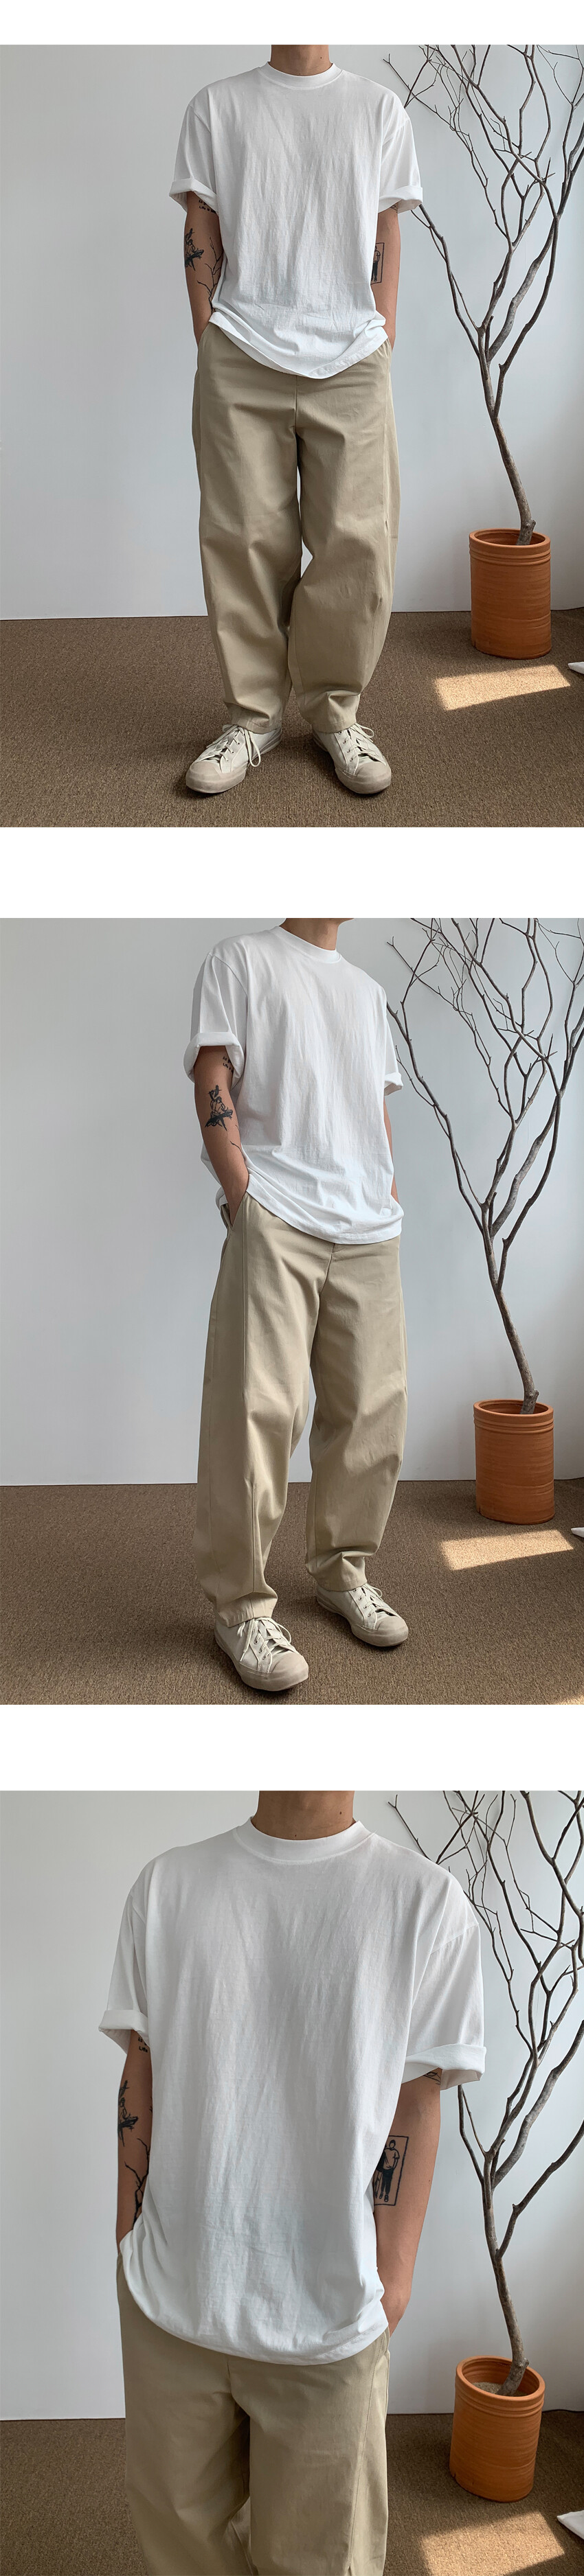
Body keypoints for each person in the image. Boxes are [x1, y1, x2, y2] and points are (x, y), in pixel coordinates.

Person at [100, 1791, 485, 2576]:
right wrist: (128, 2234)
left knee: (320, 2559)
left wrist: (391, 2282)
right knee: (180, 2550)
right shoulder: (167, 1885)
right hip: (171, 2297)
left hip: (330, 2311)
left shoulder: (425, 1902)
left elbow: (416, 2098)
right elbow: (142, 2063)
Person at [170, 47, 422, 799]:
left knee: (359, 544)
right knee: (243, 539)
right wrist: (208, 336)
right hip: (242, 346)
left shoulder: (377, 108)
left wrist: (383, 333)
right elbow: (201, 220)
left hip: (352, 351)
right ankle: (253, 717)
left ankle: (335, 712)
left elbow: (385, 225)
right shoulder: (217, 106)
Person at [185, 917, 409, 1694]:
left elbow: (372, 1105)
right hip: (278, 1209)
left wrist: (385, 1190)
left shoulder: (367, 992)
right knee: (259, 1410)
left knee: (373, 1408)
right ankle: (240, 1607)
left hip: (369, 1225)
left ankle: (344, 1571)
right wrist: (242, 1192)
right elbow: (211, 1072)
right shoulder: (241, 960)